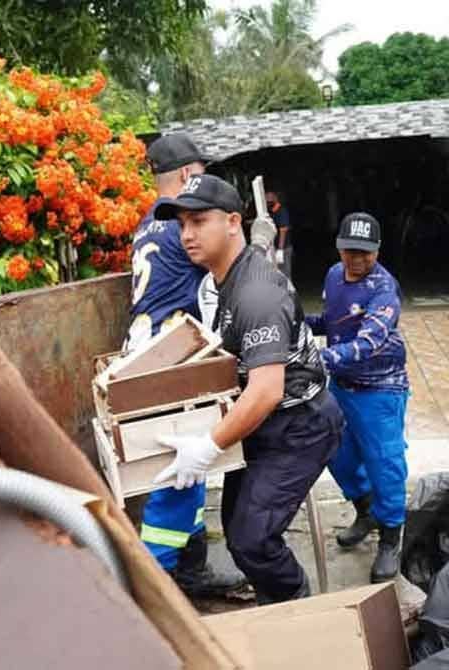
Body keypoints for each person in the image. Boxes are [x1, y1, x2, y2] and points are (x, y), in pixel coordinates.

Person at [153, 174, 344, 604]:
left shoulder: (256, 294)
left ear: (232, 222)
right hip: (262, 425)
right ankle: (274, 601)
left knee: (252, 540)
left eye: (198, 221)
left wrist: (207, 447)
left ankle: (296, 608)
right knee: (239, 533)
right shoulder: (225, 277)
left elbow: (266, 391)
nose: (187, 235)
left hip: (300, 425)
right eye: (181, 225)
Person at [128, 133, 246, 597]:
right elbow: (229, 264)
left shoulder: (148, 224)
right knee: (178, 475)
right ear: (185, 174)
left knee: (189, 474)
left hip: (150, 350)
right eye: (201, 174)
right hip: (169, 356)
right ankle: (152, 590)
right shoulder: (182, 228)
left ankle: (192, 571)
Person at [305, 212, 409, 583]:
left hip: (380, 389)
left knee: (385, 463)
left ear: (377, 250)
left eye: (365, 252)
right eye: (350, 251)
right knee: (336, 453)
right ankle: (366, 512)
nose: (357, 259)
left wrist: (316, 359)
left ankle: (391, 536)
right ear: (339, 248)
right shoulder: (334, 275)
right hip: (342, 385)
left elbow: (368, 341)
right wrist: (295, 321)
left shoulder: (384, 289)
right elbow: (333, 321)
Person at [266, 190, 293, 279]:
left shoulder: (282, 211)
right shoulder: (270, 211)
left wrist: (280, 249)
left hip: (284, 248)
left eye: (270, 197)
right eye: (266, 198)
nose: (268, 200)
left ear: (275, 197)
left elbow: (283, 230)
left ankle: (288, 288)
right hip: (273, 247)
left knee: (285, 274)